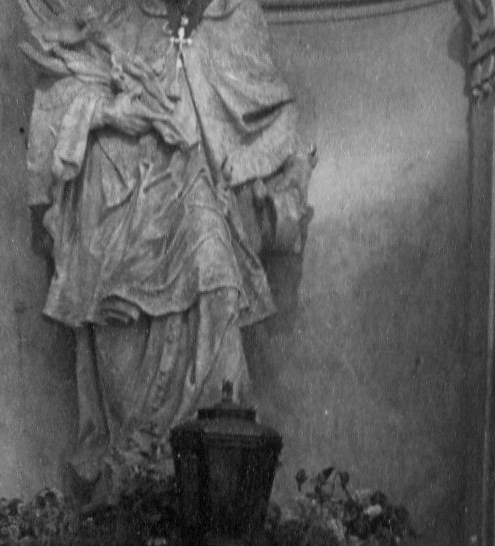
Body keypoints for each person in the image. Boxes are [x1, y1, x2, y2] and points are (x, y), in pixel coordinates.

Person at [20, 0, 315, 485]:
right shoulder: (116, 13)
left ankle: (212, 476)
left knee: (218, 283)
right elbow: (60, 98)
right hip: (120, 203)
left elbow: (269, 113)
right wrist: (112, 112)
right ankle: (134, 463)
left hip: (195, 184)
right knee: (121, 315)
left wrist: (273, 180)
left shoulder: (236, 16)